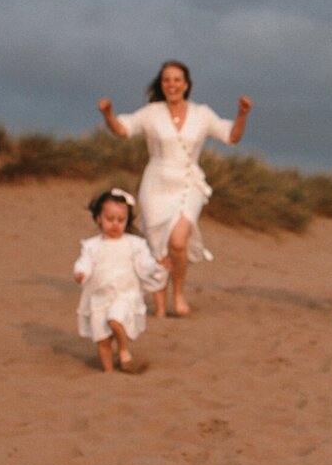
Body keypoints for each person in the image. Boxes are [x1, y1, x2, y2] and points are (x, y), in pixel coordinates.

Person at [97, 61, 252, 317]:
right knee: (157, 244)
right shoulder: (151, 112)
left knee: (178, 241)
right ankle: (159, 304)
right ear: (162, 84)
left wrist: (242, 114)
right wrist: (108, 114)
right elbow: (123, 130)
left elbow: (231, 136)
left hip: (188, 183)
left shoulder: (202, 114)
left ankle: (178, 294)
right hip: (156, 183)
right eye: (167, 80)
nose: (172, 85)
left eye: (177, 80)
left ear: (186, 84)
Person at [74, 187, 169, 372]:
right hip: (99, 298)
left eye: (121, 220)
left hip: (124, 295)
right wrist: (80, 273)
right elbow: (84, 263)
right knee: (102, 341)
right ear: (98, 218)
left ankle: (124, 352)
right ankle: (108, 373)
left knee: (115, 320)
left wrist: (157, 265)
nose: (115, 224)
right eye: (110, 219)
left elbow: (145, 265)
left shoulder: (134, 244)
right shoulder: (92, 246)